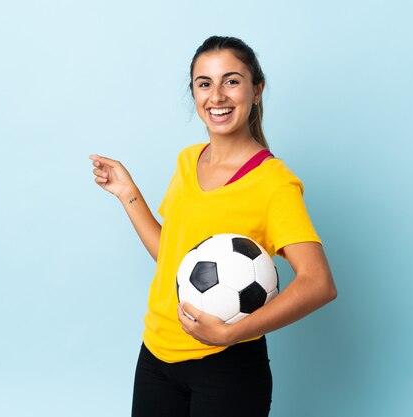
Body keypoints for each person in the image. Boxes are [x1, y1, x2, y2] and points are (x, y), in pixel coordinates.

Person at [90, 35, 337, 417]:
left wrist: (233, 332)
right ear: (194, 92)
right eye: (204, 83)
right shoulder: (189, 161)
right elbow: (174, 257)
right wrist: (128, 194)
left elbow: (318, 282)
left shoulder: (274, 184)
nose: (217, 96)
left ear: (257, 90)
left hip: (227, 369)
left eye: (232, 81)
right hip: (156, 353)